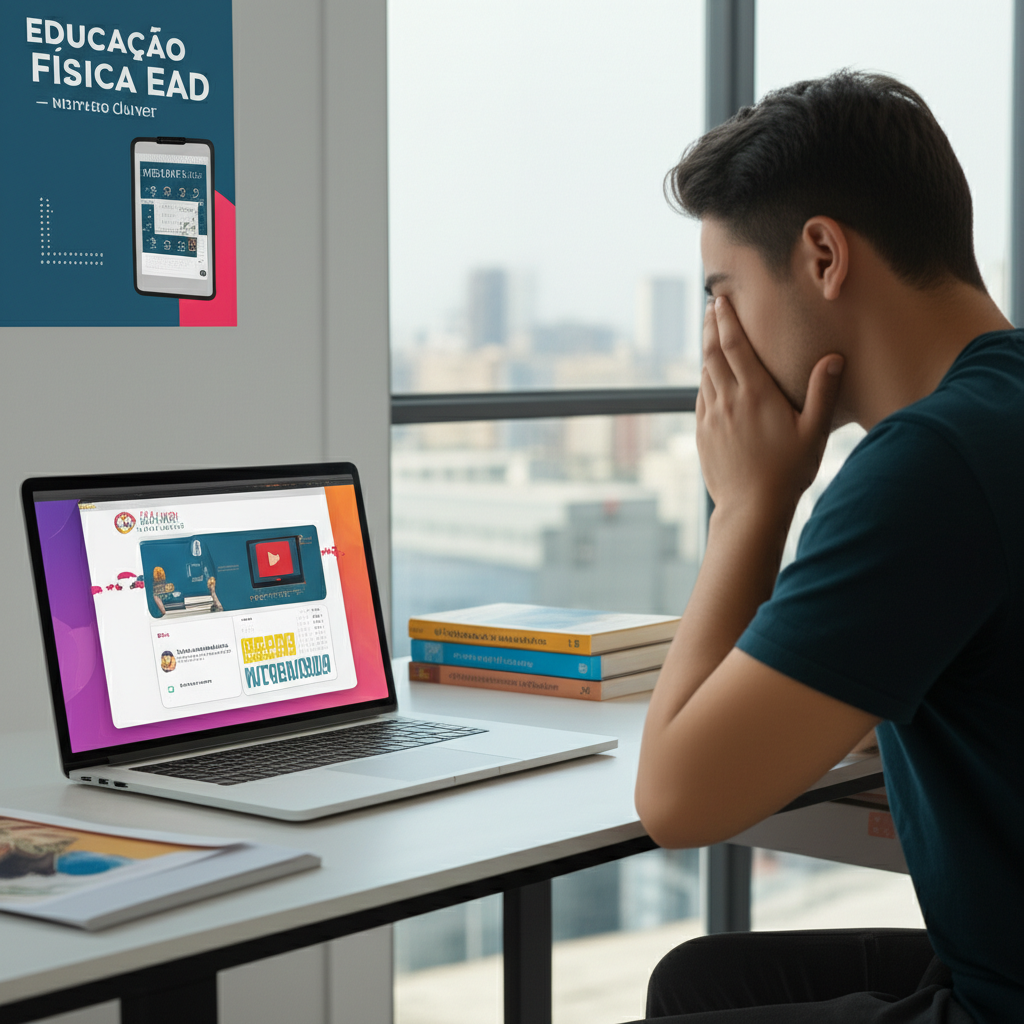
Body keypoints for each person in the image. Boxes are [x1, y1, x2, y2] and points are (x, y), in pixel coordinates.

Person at [632, 71, 1022, 1024]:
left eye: (726, 295)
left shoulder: (929, 461)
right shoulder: (1000, 402)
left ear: (821, 255)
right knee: (697, 984)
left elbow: (680, 802)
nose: (721, 339)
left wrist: (749, 506)